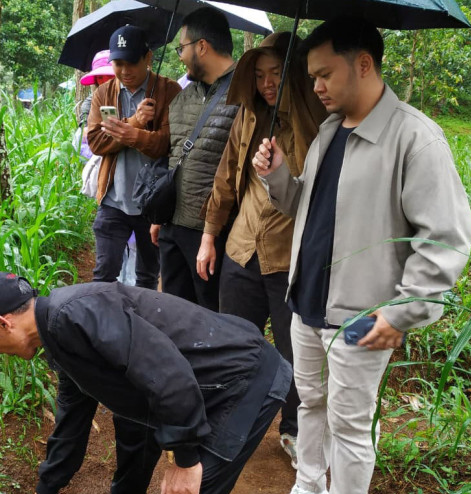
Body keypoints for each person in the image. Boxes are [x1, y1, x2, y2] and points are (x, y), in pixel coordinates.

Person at [251, 17, 471, 494]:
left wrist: (403, 313)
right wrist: (279, 176)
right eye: (312, 76)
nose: (316, 86)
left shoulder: (414, 138)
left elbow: (445, 239)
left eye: (324, 74)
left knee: (350, 421)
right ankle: (310, 487)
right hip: (306, 302)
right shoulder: (331, 131)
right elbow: (309, 210)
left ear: (364, 64)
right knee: (309, 402)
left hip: (361, 316)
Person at [0, 272, 292, 494]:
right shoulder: (58, 333)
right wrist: (46, 492)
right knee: (132, 422)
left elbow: (168, 373)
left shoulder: (74, 315)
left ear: (3, 323)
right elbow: (72, 419)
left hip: (243, 380)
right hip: (209, 381)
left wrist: (185, 461)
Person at [196, 32, 327, 468]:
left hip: (291, 258)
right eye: (260, 74)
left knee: (294, 354)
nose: (267, 83)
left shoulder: (317, 119)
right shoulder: (249, 116)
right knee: (232, 343)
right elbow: (226, 174)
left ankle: (293, 432)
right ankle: (226, 424)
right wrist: (209, 235)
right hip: (242, 250)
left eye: (276, 73)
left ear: (293, 74)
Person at [152, 7, 239, 310]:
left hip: (211, 233)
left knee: (210, 316)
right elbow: (175, 154)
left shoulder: (245, 93)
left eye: (182, 47)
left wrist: (212, 234)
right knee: (175, 315)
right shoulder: (183, 97)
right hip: (173, 226)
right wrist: (161, 215)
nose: (179, 55)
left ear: (202, 46)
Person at [86, 25, 181, 289]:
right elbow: (96, 142)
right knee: (104, 274)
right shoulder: (103, 94)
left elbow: (168, 144)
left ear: (148, 58)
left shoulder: (169, 92)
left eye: (132, 63)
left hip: (153, 204)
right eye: (118, 63)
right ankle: (102, 325)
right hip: (113, 199)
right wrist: (135, 123)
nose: (125, 71)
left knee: (148, 276)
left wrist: (130, 135)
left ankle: (141, 324)